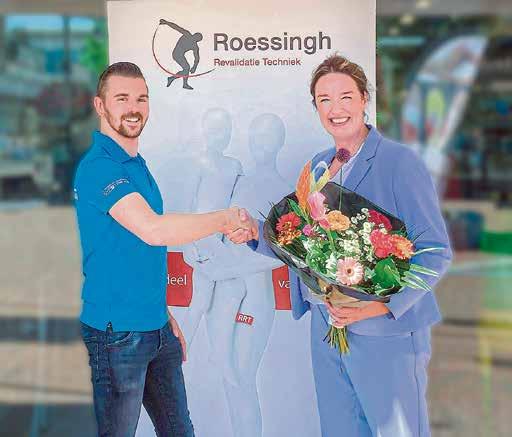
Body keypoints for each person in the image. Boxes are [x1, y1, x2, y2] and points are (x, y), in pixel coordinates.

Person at [229, 54, 453, 437]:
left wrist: (381, 306)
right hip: (327, 326)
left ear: (365, 98)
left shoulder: (399, 163)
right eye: (325, 99)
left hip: (385, 330)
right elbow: (298, 241)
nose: (336, 108)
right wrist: (254, 233)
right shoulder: (318, 166)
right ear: (315, 107)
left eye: (346, 96)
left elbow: (434, 251)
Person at [73, 62, 253, 437]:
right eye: (122, 98)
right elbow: (153, 230)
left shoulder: (136, 164)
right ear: (100, 105)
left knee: (179, 431)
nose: (133, 108)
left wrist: (163, 313)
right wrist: (224, 219)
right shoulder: (99, 168)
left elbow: (134, 250)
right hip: (117, 334)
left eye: (141, 98)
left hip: (156, 328)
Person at [159, 19, 202, 89]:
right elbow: (176, 27)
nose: (194, 40)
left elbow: (197, 58)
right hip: (176, 54)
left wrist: (194, 67)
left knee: (186, 69)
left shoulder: (195, 46)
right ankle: (181, 82)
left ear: (197, 41)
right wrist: (166, 22)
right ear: (194, 35)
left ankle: (173, 79)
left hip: (180, 55)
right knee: (187, 68)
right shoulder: (187, 34)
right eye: (195, 38)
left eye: (197, 40)